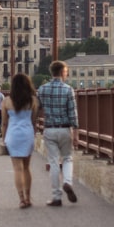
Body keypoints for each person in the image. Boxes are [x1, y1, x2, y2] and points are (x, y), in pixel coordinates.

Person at [37, 60, 79, 207]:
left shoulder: (42, 89)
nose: (66, 75)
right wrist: (76, 133)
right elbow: (73, 113)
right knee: (67, 158)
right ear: (62, 72)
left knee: (54, 162)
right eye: (66, 72)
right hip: (65, 128)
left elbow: (37, 109)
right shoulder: (68, 90)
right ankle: (67, 182)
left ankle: (56, 197)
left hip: (49, 128)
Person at [2, 73, 38, 208]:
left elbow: (4, 123)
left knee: (17, 169)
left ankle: (22, 199)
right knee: (27, 168)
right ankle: (29, 198)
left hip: (13, 135)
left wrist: (3, 139)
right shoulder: (32, 101)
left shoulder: (7, 101)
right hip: (27, 133)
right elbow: (34, 121)